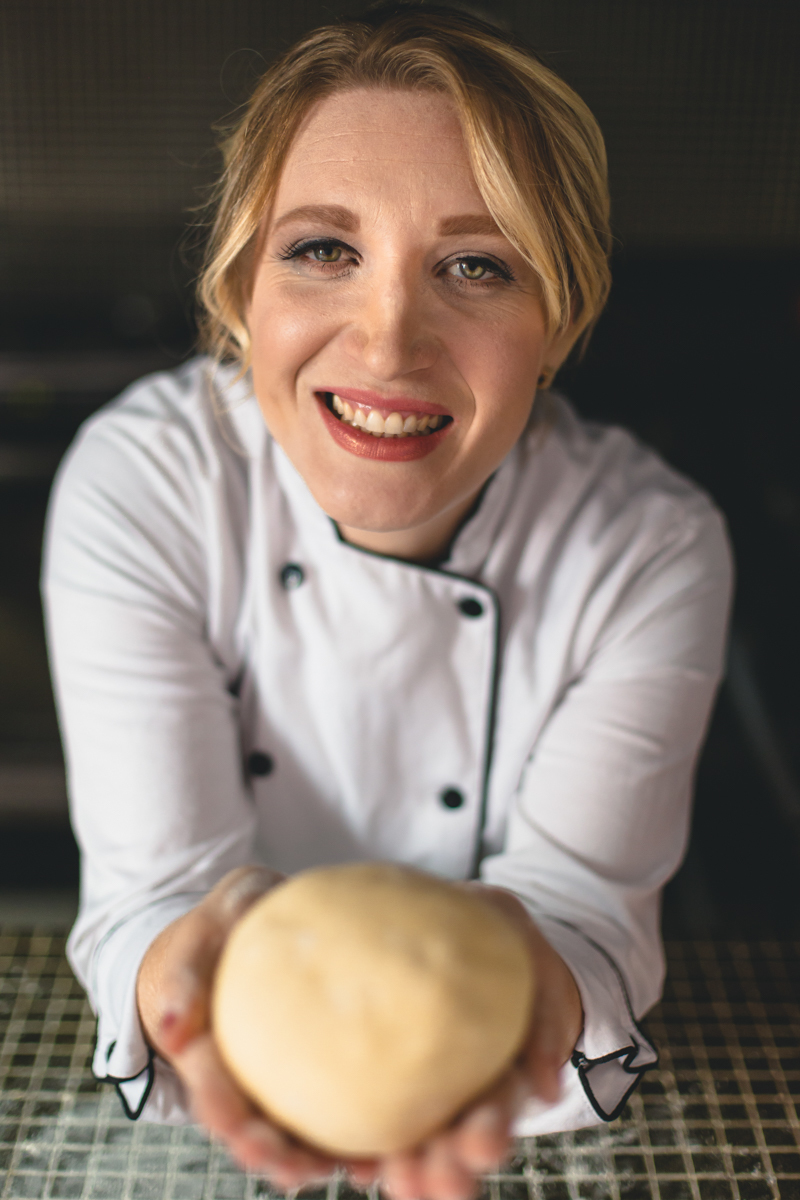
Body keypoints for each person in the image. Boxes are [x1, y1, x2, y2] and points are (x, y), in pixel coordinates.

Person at [42, 5, 732, 1198]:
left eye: (475, 265)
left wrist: (524, 964)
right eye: (322, 249)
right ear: (239, 287)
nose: (387, 341)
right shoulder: (149, 481)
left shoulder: (645, 546)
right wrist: (185, 978)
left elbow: (582, 914)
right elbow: (153, 894)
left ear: (556, 319)